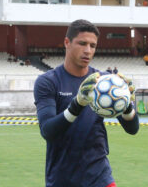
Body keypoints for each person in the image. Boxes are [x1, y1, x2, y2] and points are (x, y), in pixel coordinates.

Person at [33, 19, 139, 187]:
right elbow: (48, 131)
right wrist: (77, 104)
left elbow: (133, 129)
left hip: (100, 176)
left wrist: (126, 105)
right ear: (67, 42)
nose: (88, 51)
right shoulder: (48, 81)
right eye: (82, 44)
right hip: (62, 177)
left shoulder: (104, 82)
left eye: (93, 45)